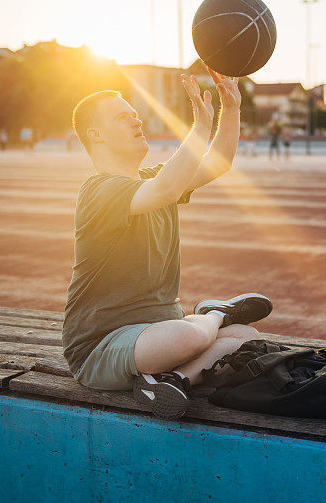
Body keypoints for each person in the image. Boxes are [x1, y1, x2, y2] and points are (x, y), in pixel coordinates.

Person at [63, 68, 271, 421]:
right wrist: (199, 125)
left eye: (135, 113)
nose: (136, 119)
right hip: (101, 346)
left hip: (158, 333)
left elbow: (217, 164)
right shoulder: (98, 191)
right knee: (186, 338)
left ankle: (175, 379)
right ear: (95, 134)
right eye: (122, 116)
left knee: (245, 336)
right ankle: (213, 314)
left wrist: (231, 109)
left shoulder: (153, 180)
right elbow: (166, 189)